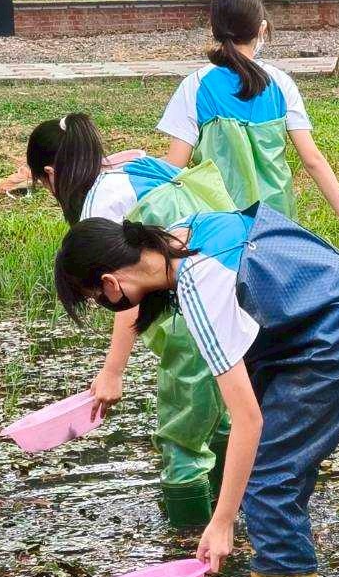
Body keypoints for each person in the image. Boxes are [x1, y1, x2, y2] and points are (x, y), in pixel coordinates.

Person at [53, 204, 339, 577]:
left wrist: (222, 520)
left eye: (95, 298)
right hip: (315, 310)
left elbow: (248, 421)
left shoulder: (200, 286)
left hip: (337, 330)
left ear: (110, 284)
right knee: (270, 467)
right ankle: (281, 566)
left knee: (269, 478)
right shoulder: (179, 236)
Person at [26, 113, 238, 529]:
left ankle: (190, 540)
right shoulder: (135, 166)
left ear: (50, 175)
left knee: (181, 440)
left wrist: (112, 371)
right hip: (224, 293)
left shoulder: (99, 206)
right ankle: (235, 519)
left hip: (190, 314)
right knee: (218, 417)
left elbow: (123, 291)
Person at [157, 0, 339, 257]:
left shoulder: (195, 86)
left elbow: (174, 166)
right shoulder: (281, 84)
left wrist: (135, 169)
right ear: (261, 30)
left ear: (213, 29)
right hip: (276, 224)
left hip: (217, 227)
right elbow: (313, 160)